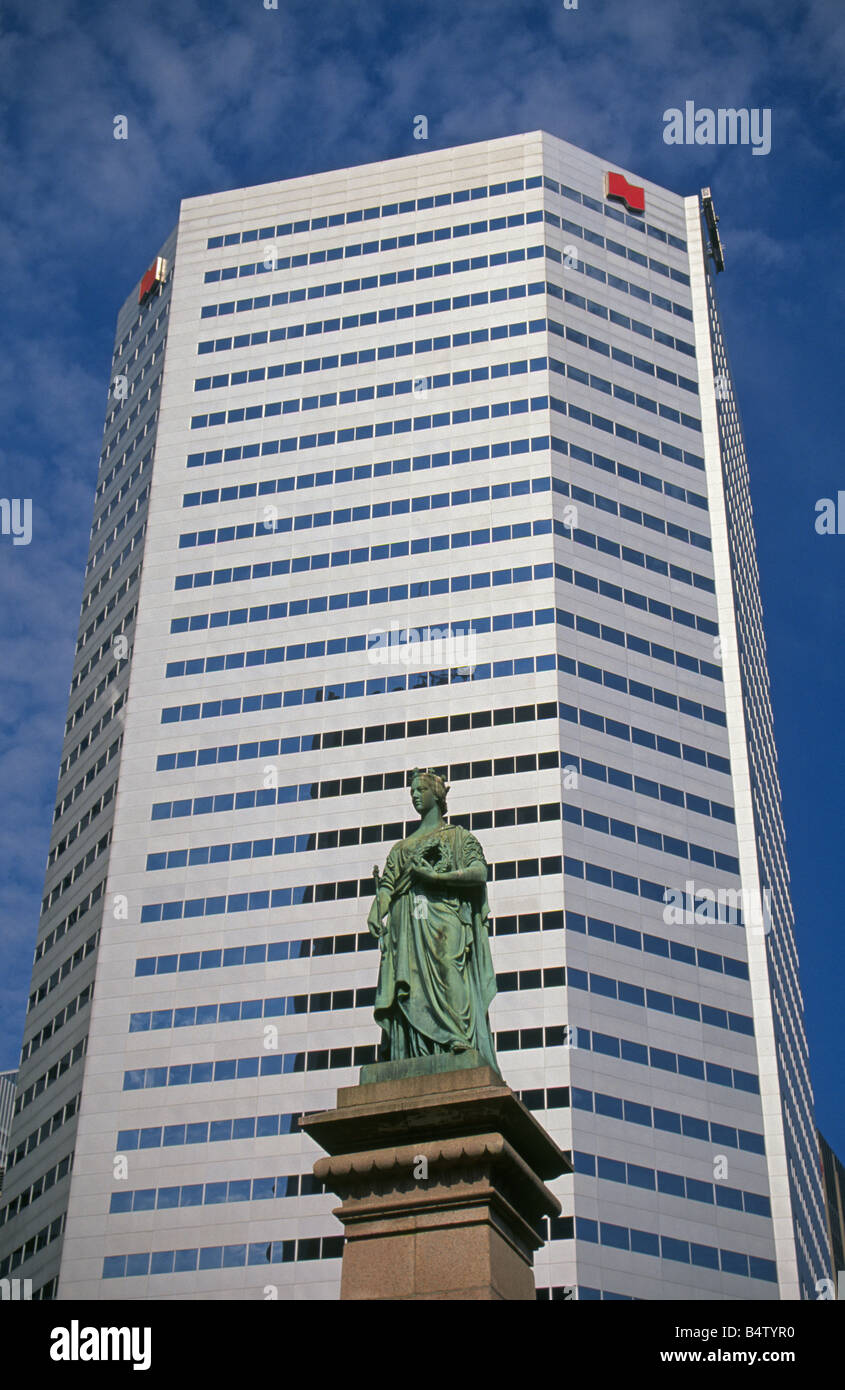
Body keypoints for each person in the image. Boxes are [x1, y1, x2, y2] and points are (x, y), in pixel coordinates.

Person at [367, 767, 499, 1070]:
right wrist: (378, 910)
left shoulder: (459, 837)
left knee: (449, 968)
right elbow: (388, 885)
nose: (414, 795)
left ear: (436, 796)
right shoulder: (400, 848)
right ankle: (412, 1052)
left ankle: (457, 1037)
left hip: (444, 918)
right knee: (410, 985)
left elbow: (479, 873)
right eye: (412, 791)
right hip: (407, 925)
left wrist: (436, 876)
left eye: (420, 790)